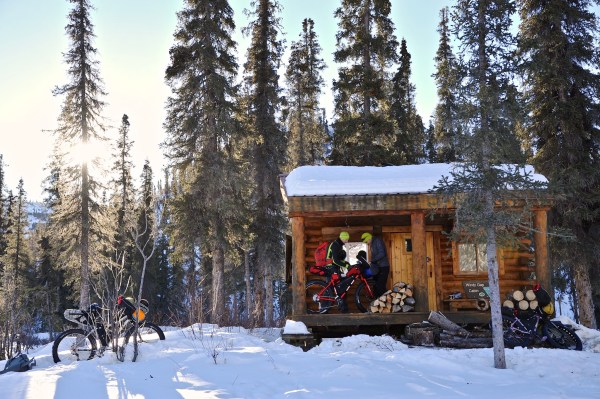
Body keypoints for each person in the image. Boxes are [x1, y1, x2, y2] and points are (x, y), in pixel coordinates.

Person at [326, 231, 351, 312]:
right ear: (343, 238)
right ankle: (324, 309)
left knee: (339, 287)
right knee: (330, 289)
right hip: (331, 268)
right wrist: (346, 265)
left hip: (335, 268)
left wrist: (345, 263)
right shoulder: (335, 245)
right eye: (346, 239)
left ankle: (342, 308)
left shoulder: (339, 245)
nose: (347, 241)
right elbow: (336, 261)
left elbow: (338, 259)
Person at [361, 232, 390, 297]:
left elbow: (382, 253)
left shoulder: (378, 241)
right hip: (378, 267)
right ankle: (377, 303)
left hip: (383, 267)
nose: (367, 243)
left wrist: (372, 260)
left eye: (366, 241)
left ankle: (388, 300)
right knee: (376, 286)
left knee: (380, 286)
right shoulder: (372, 243)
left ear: (369, 238)